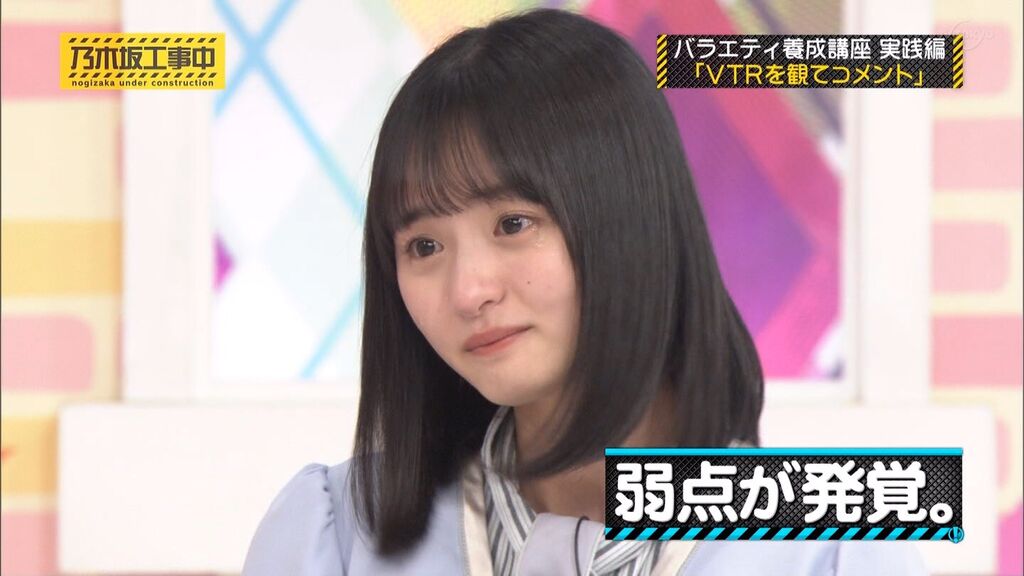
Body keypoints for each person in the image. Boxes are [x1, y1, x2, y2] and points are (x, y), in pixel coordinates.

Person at [241, 8, 930, 575]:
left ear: (630, 218)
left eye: (513, 224)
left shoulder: (839, 547)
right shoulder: (334, 536)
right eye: (424, 247)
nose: (468, 290)